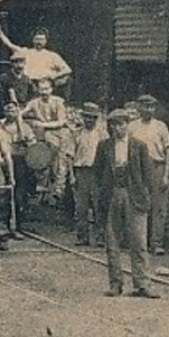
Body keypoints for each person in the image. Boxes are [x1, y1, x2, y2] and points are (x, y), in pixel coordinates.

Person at [94, 108, 158, 298]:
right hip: (113, 194)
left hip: (134, 196)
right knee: (112, 242)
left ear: (127, 125)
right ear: (110, 127)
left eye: (122, 124)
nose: (118, 128)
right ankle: (115, 284)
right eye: (114, 125)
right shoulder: (104, 146)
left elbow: (148, 175)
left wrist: (145, 197)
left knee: (138, 241)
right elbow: (98, 172)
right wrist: (107, 191)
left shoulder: (139, 146)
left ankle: (142, 284)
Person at [129, 94, 169, 254]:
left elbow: (168, 150)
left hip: (157, 167)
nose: (148, 109)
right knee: (139, 204)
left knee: (159, 207)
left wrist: (166, 174)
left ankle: (157, 243)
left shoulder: (161, 126)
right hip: (138, 169)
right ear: (139, 108)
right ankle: (140, 242)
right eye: (145, 106)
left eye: (152, 106)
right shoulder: (132, 126)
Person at [68, 102, 107, 246]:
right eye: (87, 117)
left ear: (96, 119)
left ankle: (100, 237)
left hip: (97, 172)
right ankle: (82, 237)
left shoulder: (102, 134)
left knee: (99, 205)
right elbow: (69, 156)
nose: (89, 120)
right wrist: (72, 176)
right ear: (83, 118)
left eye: (92, 118)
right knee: (81, 207)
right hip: (81, 171)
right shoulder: (76, 133)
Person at [22, 77, 68, 198]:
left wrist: (43, 124)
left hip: (58, 133)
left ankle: (59, 188)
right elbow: (22, 113)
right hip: (42, 134)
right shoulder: (34, 102)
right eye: (41, 89)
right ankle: (40, 184)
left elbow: (61, 122)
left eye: (47, 89)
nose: (44, 92)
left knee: (60, 160)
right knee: (36, 153)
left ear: (51, 89)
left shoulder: (58, 102)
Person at [0, 27, 72, 92]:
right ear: (33, 40)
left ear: (46, 41)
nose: (39, 42)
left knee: (67, 79)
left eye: (41, 39)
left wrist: (54, 76)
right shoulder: (26, 52)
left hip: (46, 82)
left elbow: (67, 70)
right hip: (29, 83)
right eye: (37, 39)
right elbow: (9, 44)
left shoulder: (52, 55)